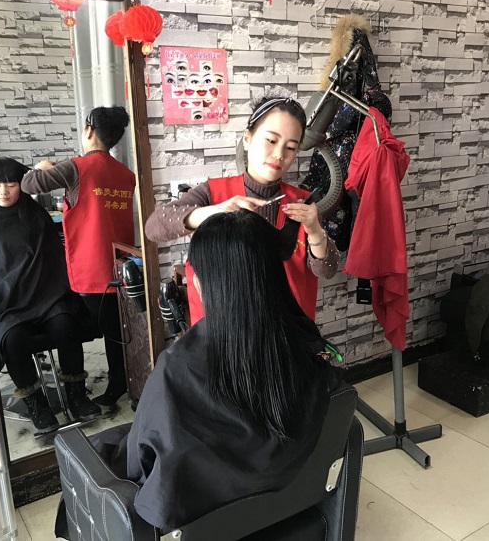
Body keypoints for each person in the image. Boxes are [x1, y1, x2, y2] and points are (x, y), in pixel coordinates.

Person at [55, 210, 342, 534]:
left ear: (204, 283)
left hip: (197, 528)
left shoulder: (176, 370)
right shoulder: (309, 349)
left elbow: (142, 471)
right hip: (285, 517)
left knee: (103, 447)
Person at [145, 97, 340, 323]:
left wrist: (314, 230)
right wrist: (214, 211)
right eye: (271, 140)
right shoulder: (213, 193)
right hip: (226, 331)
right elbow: (153, 227)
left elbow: (327, 270)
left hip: (286, 332)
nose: (279, 154)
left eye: (290, 147)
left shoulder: (303, 204)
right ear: (247, 139)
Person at [21, 106, 136, 412]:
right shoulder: (127, 175)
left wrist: (41, 167)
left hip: (91, 264)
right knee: (116, 328)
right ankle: (121, 380)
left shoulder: (76, 167)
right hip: (122, 262)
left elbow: (29, 185)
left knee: (96, 327)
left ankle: (114, 384)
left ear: (88, 131)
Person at [0, 158, 102, 433]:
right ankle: (37, 405)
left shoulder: (36, 214)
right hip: (9, 304)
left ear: (22, 185)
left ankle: (77, 396)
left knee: (66, 325)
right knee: (12, 340)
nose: (3, 191)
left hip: (47, 297)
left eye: (11, 184)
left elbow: (53, 260)